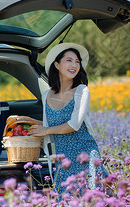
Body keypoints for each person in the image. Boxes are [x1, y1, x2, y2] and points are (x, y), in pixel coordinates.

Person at [28, 43, 108, 195]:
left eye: (77, 62)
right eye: (69, 60)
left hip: (85, 155)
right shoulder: (46, 96)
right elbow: (49, 124)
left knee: (93, 199)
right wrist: (27, 122)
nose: (74, 65)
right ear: (57, 65)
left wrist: (45, 130)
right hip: (63, 160)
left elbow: (74, 124)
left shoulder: (82, 91)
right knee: (66, 199)